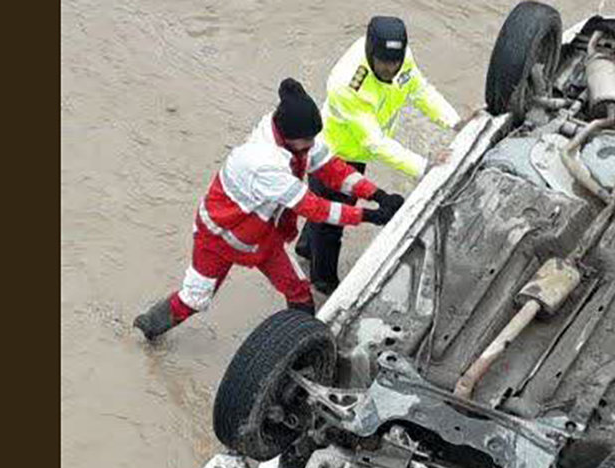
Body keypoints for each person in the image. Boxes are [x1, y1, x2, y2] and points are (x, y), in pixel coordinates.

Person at [133, 78, 404, 341]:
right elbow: (314, 208)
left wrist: (376, 193)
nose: (312, 144)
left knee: (299, 290)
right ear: (288, 137)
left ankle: (299, 348)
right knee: (195, 299)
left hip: (262, 236)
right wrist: (370, 216)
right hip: (217, 238)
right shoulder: (263, 163)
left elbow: (331, 168)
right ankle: (150, 327)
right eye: (308, 140)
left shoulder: (298, 136)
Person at [295, 15, 460, 295]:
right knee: (333, 223)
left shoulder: (402, 58)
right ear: (371, 52)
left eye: (395, 62)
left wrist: (455, 122)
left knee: (325, 213)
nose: (390, 69)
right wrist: (423, 166)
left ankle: (305, 248)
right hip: (332, 156)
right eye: (384, 62)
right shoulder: (348, 85)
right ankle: (324, 283)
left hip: (356, 152)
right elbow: (376, 142)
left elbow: (420, 91)